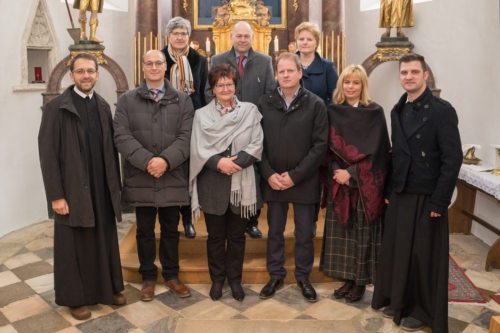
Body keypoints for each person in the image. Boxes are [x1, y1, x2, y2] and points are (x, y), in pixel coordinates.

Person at [371, 53, 462, 332]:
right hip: (400, 192)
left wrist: (440, 200)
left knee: (423, 256)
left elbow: (452, 158)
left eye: (413, 72)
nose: (408, 77)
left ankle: (422, 311)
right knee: (399, 252)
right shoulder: (398, 109)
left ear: (425, 76)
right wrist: (388, 189)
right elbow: (396, 155)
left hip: (427, 195)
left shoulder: (441, 110)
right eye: (404, 73)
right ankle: (397, 300)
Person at [38, 53, 125, 320]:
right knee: (73, 244)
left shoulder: (102, 106)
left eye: (90, 71)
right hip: (72, 190)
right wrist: (56, 196)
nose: (86, 76)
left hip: (100, 187)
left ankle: (107, 290)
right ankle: (74, 298)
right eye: (80, 71)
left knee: (103, 239)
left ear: (97, 74)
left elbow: (110, 151)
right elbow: (47, 154)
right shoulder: (57, 108)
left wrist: (115, 190)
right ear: (71, 75)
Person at [113, 50, 194, 302]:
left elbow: (187, 136)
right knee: (144, 230)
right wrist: (148, 161)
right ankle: (148, 277)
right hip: (142, 176)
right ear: (143, 67)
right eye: (149, 63)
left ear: (166, 67)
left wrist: (166, 161)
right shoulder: (127, 100)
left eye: (159, 63)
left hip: (172, 175)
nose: (154, 67)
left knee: (171, 229)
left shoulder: (182, 100)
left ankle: (171, 275)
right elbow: (121, 136)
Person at [258, 53, 328, 303]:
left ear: (300, 73)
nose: (286, 75)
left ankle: (303, 277)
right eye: (281, 71)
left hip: (304, 180)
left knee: (305, 233)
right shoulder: (264, 103)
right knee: (275, 231)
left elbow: (320, 146)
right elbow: (257, 144)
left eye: (291, 70)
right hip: (274, 180)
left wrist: (296, 176)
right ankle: (275, 275)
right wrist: (268, 174)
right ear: (276, 74)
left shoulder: (316, 104)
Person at [190, 64, 264, 302]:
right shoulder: (202, 115)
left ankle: (235, 280)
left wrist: (237, 163)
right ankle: (217, 280)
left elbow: (257, 143)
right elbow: (197, 147)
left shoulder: (250, 111)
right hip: (213, 182)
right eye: (219, 85)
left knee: (237, 237)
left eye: (229, 84)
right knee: (214, 237)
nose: (225, 88)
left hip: (242, 182)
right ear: (212, 88)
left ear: (235, 86)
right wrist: (219, 163)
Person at [320, 64, 390, 303]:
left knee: (362, 234)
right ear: (341, 85)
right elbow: (325, 149)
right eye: (347, 82)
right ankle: (348, 279)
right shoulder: (333, 111)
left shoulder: (374, 112)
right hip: (338, 182)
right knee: (344, 232)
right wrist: (336, 172)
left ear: (363, 86)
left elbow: (380, 153)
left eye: (356, 82)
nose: (351, 86)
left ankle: (360, 282)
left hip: (363, 185)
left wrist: (351, 172)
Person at [207, 20, 276, 239]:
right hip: (224, 124)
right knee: (229, 168)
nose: (243, 39)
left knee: (253, 172)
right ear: (232, 37)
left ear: (252, 38)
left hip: (254, 125)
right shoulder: (217, 60)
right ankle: (229, 213)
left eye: (247, 36)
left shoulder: (265, 61)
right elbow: (210, 91)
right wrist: (223, 114)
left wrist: (252, 117)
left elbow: (269, 93)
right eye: (239, 36)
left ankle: (251, 220)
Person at [161, 16, 209, 239]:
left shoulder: (199, 59)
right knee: (173, 169)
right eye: (176, 33)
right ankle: (171, 219)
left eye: (183, 33)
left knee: (190, 170)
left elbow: (203, 92)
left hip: (193, 118)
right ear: (168, 36)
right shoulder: (160, 58)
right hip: (166, 119)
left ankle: (188, 218)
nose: (180, 37)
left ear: (189, 37)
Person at [295, 21, 338, 105]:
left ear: (316, 43)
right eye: (301, 39)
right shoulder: (287, 64)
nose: (305, 42)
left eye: (309, 39)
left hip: (320, 115)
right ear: (296, 42)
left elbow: (335, 96)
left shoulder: (327, 66)